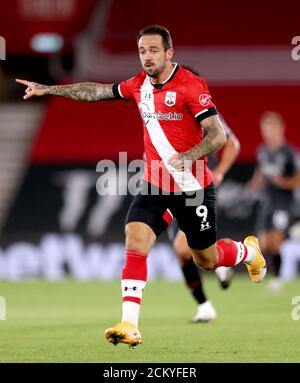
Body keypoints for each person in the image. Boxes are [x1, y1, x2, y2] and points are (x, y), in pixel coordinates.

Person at [16, 25, 266, 348]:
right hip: (155, 184)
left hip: (193, 189)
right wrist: (49, 89)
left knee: (205, 259)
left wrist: (189, 155)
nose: (147, 57)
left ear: (168, 52)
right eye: (142, 52)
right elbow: (97, 91)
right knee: (135, 238)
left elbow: (218, 136)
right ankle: (129, 324)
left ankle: (248, 251)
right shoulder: (137, 85)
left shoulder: (192, 86)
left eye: (153, 51)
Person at [170, 113, 240, 322]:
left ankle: (229, 257)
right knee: (183, 253)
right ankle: (205, 305)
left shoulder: (201, 107)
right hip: (168, 186)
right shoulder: (157, 101)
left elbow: (232, 142)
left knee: (182, 248)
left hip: (195, 186)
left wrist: (219, 172)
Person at [248, 111, 300, 291]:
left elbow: (298, 178)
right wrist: (255, 183)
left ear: (280, 129)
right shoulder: (262, 151)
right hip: (268, 202)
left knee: (276, 241)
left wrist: (284, 182)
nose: (267, 132)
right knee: (263, 243)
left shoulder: (289, 153)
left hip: (284, 203)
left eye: (271, 128)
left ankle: (277, 279)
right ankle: (268, 270)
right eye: (265, 129)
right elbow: (260, 172)